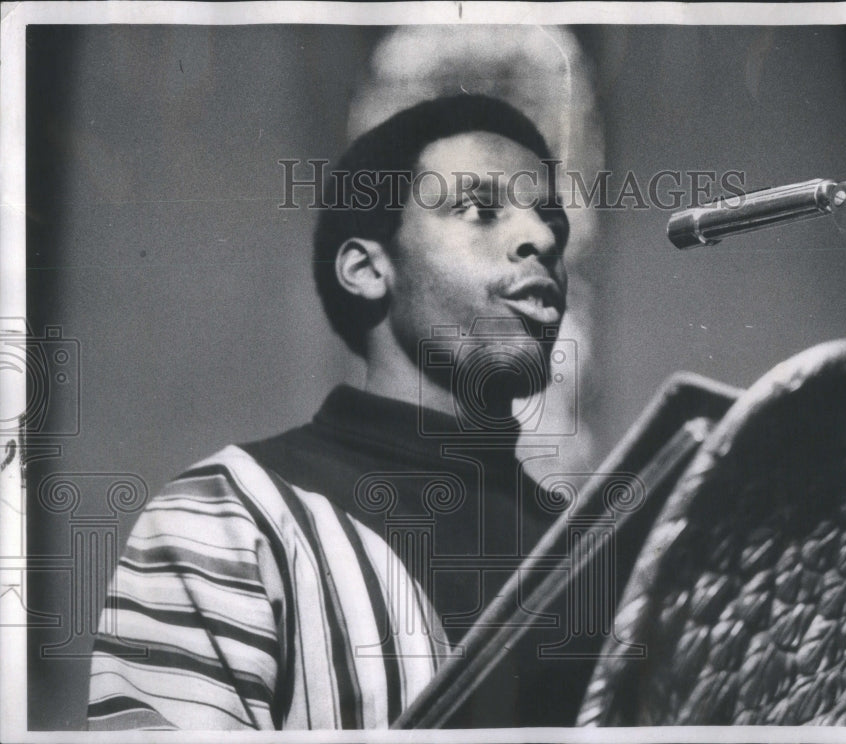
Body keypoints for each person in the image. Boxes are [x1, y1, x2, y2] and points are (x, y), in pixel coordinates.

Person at [87, 95, 573, 730]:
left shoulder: (594, 548)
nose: (541, 237)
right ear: (368, 269)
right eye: (481, 210)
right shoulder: (230, 515)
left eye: (552, 225)